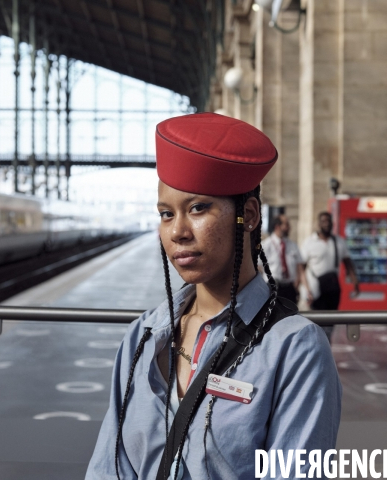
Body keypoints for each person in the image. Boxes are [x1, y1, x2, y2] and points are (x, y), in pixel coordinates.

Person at [86, 113, 341, 480]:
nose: (178, 232)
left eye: (198, 208)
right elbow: (107, 467)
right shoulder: (143, 336)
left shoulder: (295, 350)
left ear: (249, 215)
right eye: (165, 213)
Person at [301, 211, 360, 343]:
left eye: (328, 221)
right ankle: (317, 345)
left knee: (331, 321)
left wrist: (355, 281)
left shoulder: (339, 241)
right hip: (316, 288)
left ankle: (326, 345)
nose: (326, 224)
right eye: (323, 221)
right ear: (318, 223)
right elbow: (301, 269)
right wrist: (305, 289)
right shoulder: (309, 243)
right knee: (317, 320)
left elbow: (347, 263)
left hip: (333, 287)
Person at [259, 214, 306, 305]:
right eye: (286, 224)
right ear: (278, 226)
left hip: (289, 288)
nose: (289, 227)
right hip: (272, 287)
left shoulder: (292, 245)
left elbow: (300, 268)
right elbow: (257, 267)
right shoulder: (266, 245)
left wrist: (300, 285)